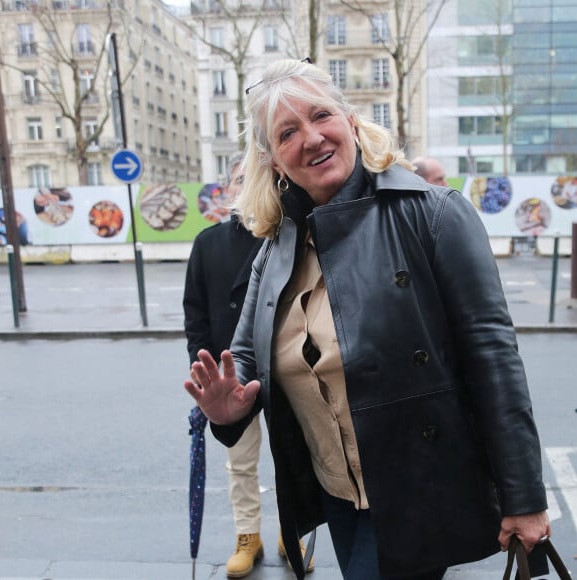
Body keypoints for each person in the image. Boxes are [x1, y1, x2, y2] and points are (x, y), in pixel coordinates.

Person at [184, 59, 550, 580]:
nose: (311, 138)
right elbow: (244, 355)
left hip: (415, 486)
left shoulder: (433, 213)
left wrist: (525, 496)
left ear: (350, 120)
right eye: (288, 132)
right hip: (338, 492)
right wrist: (228, 407)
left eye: (321, 116)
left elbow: (494, 358)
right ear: (273, 161)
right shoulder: (276, 248)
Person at [183, 152, 312, 578]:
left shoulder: (286, 238)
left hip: (282, 373)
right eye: (241, 179)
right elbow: (195, 313)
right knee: (239, 463)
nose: (249, 186)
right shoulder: (208, 243)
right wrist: (204, 377)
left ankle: (291, 530)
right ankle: (247, 537)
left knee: (291, 456)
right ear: (227, 189)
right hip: (229, 378)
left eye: (258, 178)